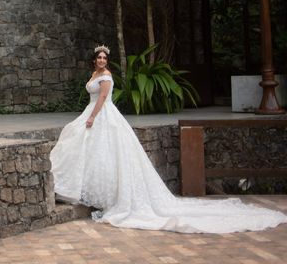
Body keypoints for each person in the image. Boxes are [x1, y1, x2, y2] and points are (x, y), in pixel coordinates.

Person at [50, 45, 287, 233]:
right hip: (91, 112)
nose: (102, 61)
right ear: (95, 60)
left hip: (102, 115)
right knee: (80, 143)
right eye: (99, 58)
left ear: (107, 61)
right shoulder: (94, 73)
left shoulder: (107, 77)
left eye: (104, 58)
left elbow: (101, 100)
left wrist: (92, 118)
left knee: (102, 150)